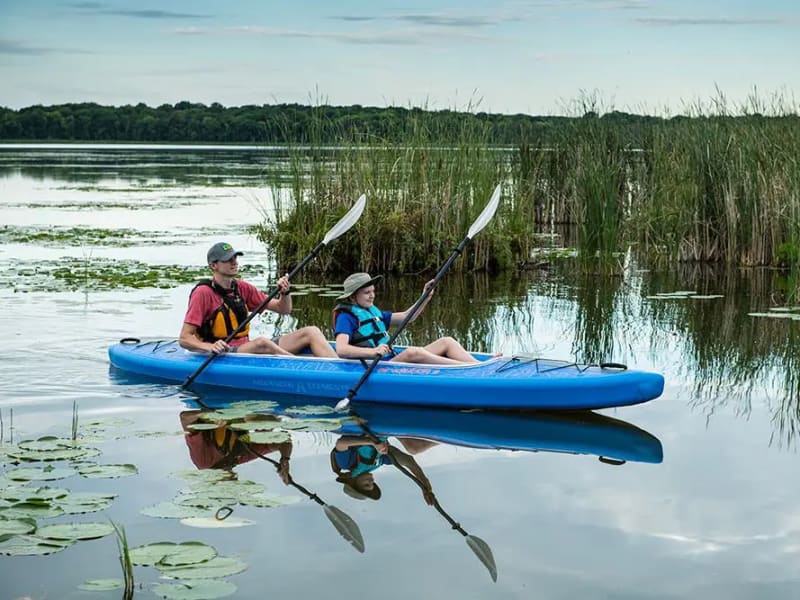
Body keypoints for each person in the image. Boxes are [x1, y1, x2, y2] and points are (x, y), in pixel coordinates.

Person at [179, 242, 337, 357]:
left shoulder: (242, 287)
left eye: (235, 258)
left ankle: (339, 368)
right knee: (262, 343)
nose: (234, 262)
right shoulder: (203, 293)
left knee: (311, 332)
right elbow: (184, 338)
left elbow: (283, 309)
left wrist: (285, 292)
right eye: (228, 260)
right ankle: (299, 366)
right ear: (213, 266)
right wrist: (209, 347)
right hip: (224, 353)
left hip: (245, 347)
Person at [333, 272, 479, 365]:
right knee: (413, 352)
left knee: (446, 341)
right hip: (378, 366)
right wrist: (373, 352)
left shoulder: (373, 313)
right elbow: (341, 349)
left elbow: (406, 317)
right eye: (367, 293)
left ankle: (479, 366)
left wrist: (425, 297)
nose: (372, 296)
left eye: (373, 291)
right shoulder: (346, 317)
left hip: (390, 359)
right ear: (353, 297)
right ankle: (466, 369)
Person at [180, 409, 293, 483]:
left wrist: (206, 414)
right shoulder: (240, 456)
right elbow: (284, 441)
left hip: (215, 405)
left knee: (261, 422)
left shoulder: (204, 462)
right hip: (247, 409)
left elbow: (184, 418)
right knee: (267, 426)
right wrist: (285, 459)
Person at [330, 432, 435, 504]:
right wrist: (425, 485)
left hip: (364, 425)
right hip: (384, 430)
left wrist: (372, 442)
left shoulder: (347, 464)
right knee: (415, 448)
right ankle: (445, 434)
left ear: (353, 482)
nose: (371, 482)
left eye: (366, 484)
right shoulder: (377, 462)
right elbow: (409, 461)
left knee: (413, 448)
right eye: (372, 484)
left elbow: (341, 443)